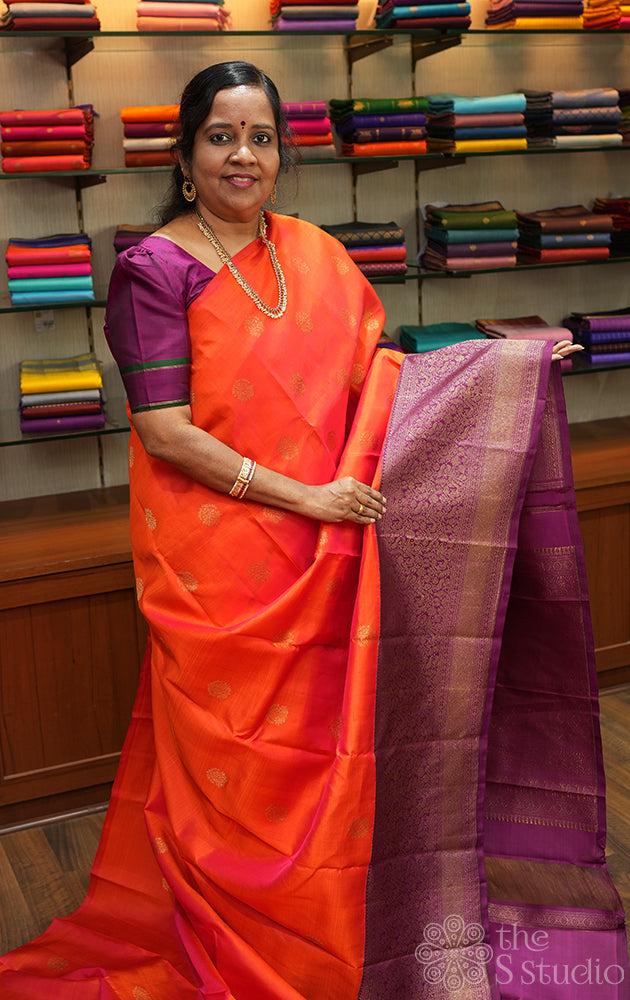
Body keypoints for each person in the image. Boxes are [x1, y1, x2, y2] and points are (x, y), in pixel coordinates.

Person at [0, 60, 626, 1000]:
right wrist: (307, 497)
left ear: (282, 153)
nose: (241, 156)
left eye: (259, 137)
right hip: (223, 563)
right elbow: (165, 433)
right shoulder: (154, 269)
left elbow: (378, 377)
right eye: (220, 136)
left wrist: (511, 364)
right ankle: (249, 935)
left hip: (325, 543)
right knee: (240, 766)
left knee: (327, 746)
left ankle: (326, 916)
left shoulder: (314, 253)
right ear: (183, 155)